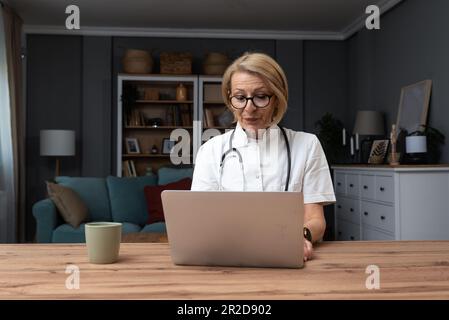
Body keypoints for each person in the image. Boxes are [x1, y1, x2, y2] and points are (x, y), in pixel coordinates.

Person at [191, 52, 336, 261]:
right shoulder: (210, 151)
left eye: (261, 96)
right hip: (228, 256)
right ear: (230, 100)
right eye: (240, 98)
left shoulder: (307, 145)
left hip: (286, 254)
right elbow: (200, 219)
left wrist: (301, 236)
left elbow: (315, 219)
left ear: (277, 99)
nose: (249, 108)